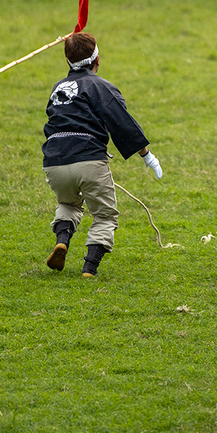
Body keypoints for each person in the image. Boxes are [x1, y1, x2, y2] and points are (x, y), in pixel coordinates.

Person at [41, 31, 162, 277]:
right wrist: (147, 155)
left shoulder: (58, 87)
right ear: (98, 60)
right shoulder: (101, 86)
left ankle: (62, 241)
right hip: (88, 160)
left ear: (67, 61)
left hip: (54, 162)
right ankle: (89, 269)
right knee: (105, 215)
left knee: (68, 203)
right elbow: (122, 123)